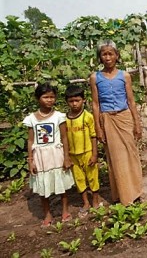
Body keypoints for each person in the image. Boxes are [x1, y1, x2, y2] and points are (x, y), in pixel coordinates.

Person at [89, 40, 143, 206]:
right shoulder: (95, 77)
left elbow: (131, 101)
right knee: (115, 158)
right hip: (108, 120)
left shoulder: (124, 76)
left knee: (130, 154)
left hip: (124, 117)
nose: (107, 57)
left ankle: (135, 192)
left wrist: (137, 123)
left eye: (110, 54)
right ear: (100, 57)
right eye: (104, 54)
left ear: (117, 56)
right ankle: (122, 194)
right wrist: (98, 127)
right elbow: (96, 104)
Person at [23, 82, 74, 227]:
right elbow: (31, 140)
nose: (49, 100)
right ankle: (47, 213)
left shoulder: (59, 116)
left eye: (52, 97)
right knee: (42, 186)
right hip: (40, 156)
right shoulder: (31, 119)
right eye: (46, 97)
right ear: (38, 98)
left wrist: (67, 156)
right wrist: (30, 159)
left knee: (61, 184)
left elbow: (64, 137)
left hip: (56, 154)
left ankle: (65, 211)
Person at [65, 84, 100, 217]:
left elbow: (93, 135)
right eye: (71, 101)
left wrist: (94, 154)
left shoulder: (88, 117)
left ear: (83, 100)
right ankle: (85, 202)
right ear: (67, 102)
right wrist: (66, 156)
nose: (74, 104)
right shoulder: (65, 119)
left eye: (77, 100)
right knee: (79, 180)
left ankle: (95, 201)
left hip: (87, 153)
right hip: (73, 155)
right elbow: (64, 138)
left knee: (92, 177)